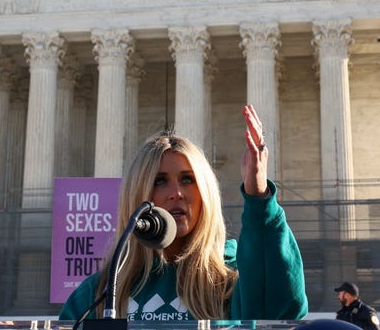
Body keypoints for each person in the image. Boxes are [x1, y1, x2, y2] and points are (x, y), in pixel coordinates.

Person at [59, 104, 308, 321]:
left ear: (205, 192)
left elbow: (279, 313)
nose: (176, 193)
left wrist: (258, 199)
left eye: (188, 180)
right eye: (159, 181)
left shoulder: (232, 281)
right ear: (137, 195)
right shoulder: (98, 294)